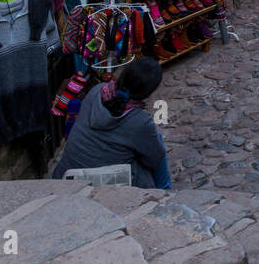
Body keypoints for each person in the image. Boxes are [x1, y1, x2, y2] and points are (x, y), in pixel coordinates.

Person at [52, 57, 171, 188]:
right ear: (147, 93)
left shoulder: (97, 91)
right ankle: (165, 192)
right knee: (156, 145)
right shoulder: (139, 122)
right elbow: (154, 161)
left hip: (66, 174)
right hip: (105, 183)